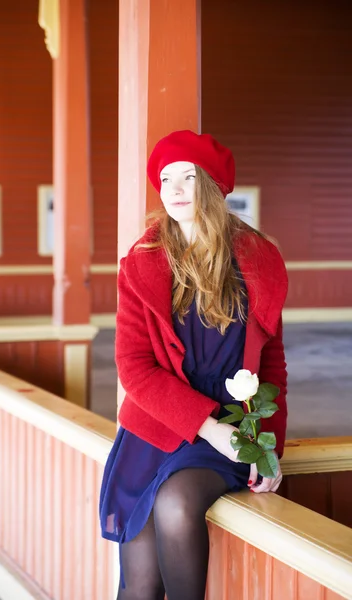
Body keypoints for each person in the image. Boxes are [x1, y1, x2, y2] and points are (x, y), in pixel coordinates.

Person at [99, 130, 288, 600]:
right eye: (166, 179)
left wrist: (269, 449)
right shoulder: (141, 263)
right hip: (158, 430)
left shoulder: (258, 262)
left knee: (177, 504)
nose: (176, 190)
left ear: (216, 186)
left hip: (228, 430)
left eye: (190, 177)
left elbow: (273, 365)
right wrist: (209, 428)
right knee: (139, 586)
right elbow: (134, 367)